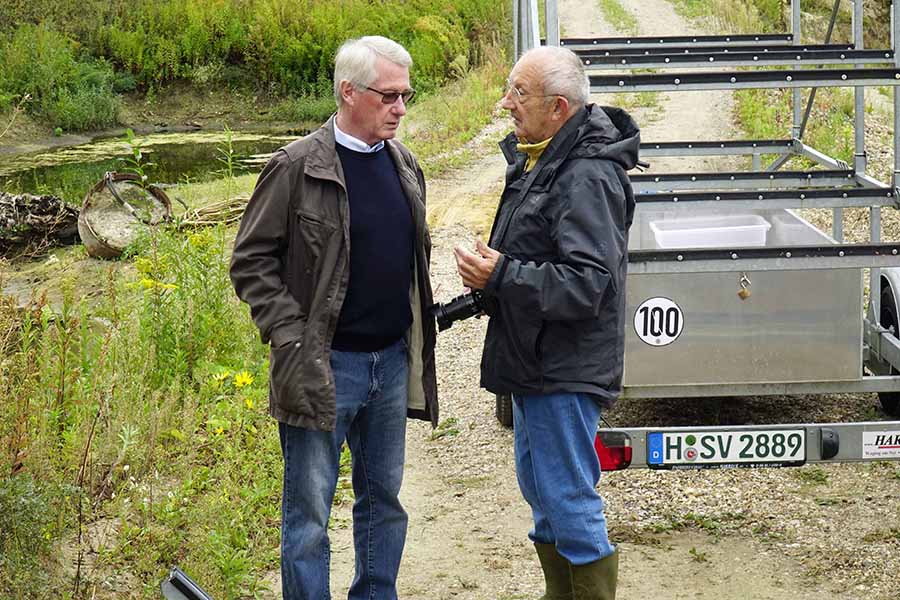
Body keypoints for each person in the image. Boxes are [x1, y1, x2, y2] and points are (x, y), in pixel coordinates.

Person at [230, 36, 438, 600]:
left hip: (389, 365)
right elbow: (250, 261)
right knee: (308, 517)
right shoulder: (296, 167)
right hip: (322, 367)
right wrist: (290, 335)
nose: (400, 108)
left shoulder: (403, 164)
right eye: (389, 96)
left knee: (384, 504)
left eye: (406, 95)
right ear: (349, 91)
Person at [453, 46, 639, 600]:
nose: (505, 103)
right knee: (542, 491)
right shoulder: (541, 158)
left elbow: (590, 284)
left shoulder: (587, 174)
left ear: (558, 107)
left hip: (564, 367)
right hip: (535, 363)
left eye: (519, 92)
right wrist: (494, 275)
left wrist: (502, 273)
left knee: (567, 497)